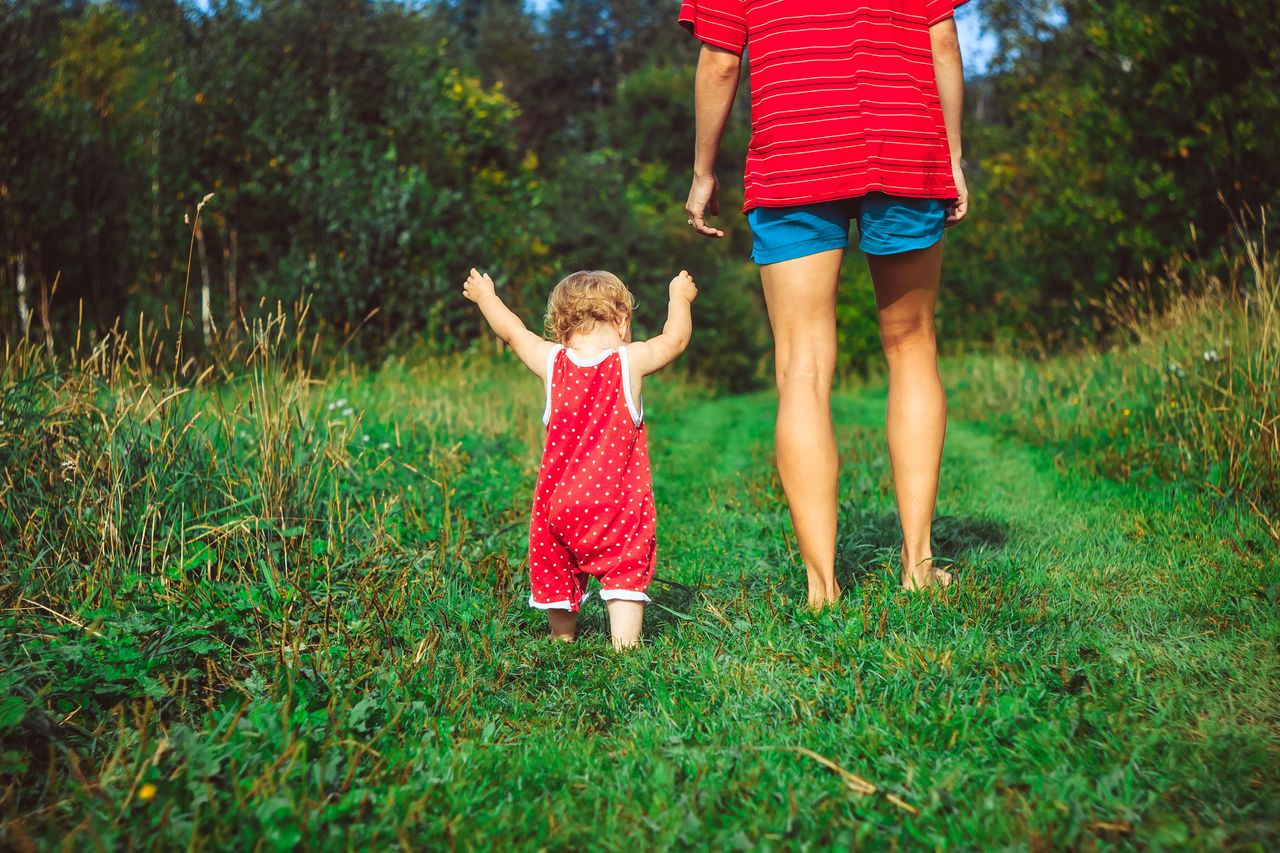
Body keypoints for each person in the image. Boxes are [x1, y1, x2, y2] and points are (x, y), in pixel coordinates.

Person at [678, 0, 970, 605]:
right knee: (911, 345)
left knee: (802, 367)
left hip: (794, 153)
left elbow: (720, 62)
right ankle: (918, 564)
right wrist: (954, 155)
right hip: (904, 143)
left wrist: (704, 170)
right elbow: (940, 40)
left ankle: (822, 584)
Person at [462, 267, 698, 648]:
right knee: (624, 566)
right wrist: (679, 298)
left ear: (559, 328)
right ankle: (624, 645)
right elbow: (676, 339)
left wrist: (486, 297)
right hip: (616, 505)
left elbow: (513, 332)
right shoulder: (629, 362)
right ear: (622, 322)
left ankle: (562, 636)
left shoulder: (552, 363)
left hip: (560, 506)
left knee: (556, 565)